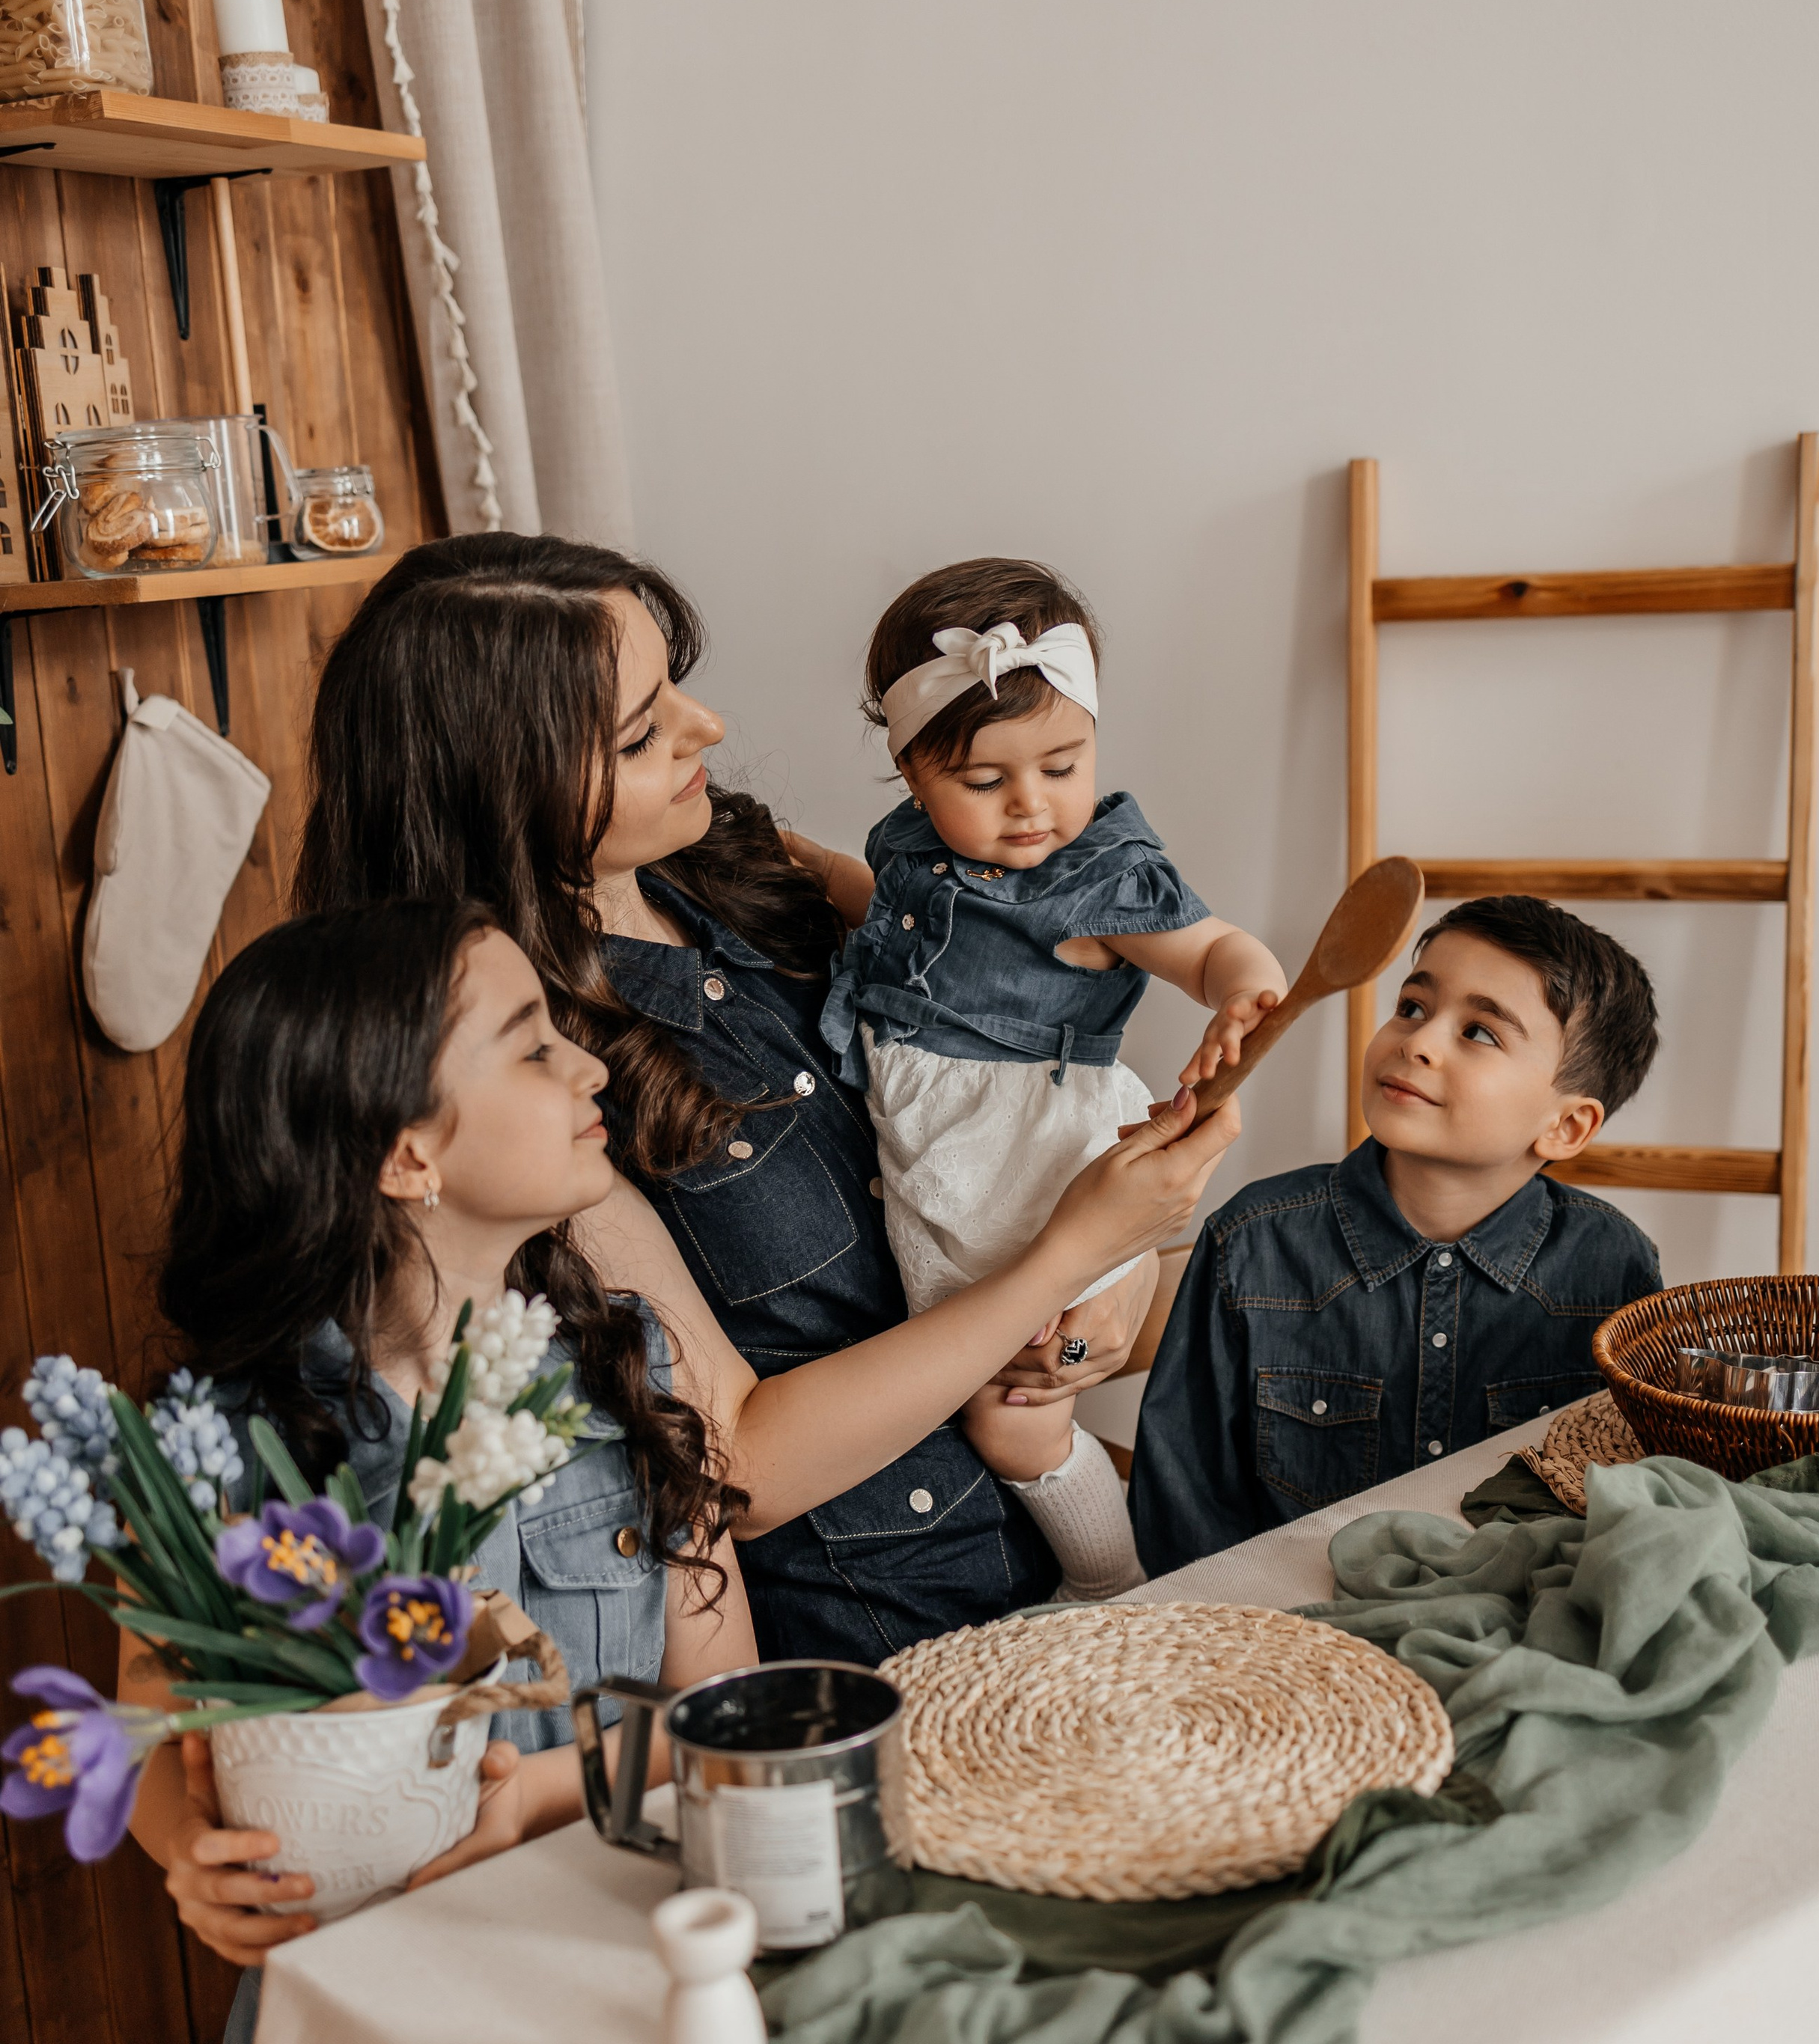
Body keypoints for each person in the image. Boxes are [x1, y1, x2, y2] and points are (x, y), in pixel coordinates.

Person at [293, 534, 1240, 1662]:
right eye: (640, 735)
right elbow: (736, 1468)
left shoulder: (750, 872)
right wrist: (1072, 1255)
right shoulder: (533, 1090)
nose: (708, 727)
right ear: (499, 791)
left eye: (675, 687)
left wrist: (1116, 1289)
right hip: (888, 1639)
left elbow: (1024, 1193)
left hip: (1056, 1537)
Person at [121, 899, 759, 2044]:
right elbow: (145, 1707)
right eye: (532, 1047)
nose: (587, 1068)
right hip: (354, 2029)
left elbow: (731, 1723)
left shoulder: (629, 1371)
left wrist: (555, 1789)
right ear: (408, 1154)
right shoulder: (230, 1434)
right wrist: (182, 1855)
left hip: (606, 1999)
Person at [820, 558, 1288, 1597]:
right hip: (944, 1166)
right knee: (946, 1377)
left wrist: (1243, 991)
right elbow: (909, 928)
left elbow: (1212, 947)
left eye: (1064, 764)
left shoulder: (1097, 880)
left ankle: (1113, 1584)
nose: (1033, 806)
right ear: (913, 774)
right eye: (984, 782)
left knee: (1013, 1416)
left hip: (1035, 1171)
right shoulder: (911, 848)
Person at [1131, 895, 1664, 1569]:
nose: (1417, 1042)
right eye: (1413, 1007)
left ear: (1565, 1127)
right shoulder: (1251, 1242)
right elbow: (1184, 1512)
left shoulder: (1614, 1267)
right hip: (1280, 1619)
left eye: (1479, 1033)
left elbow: (1625, 1500)